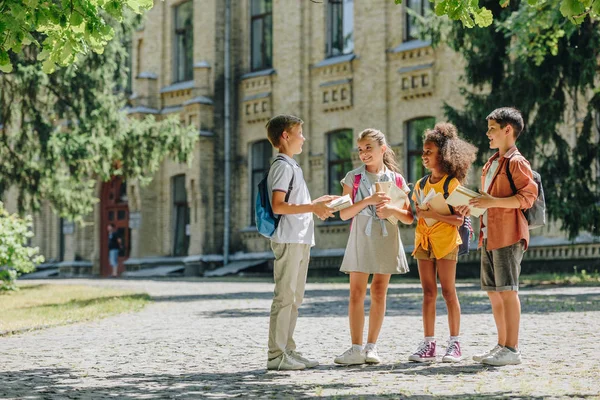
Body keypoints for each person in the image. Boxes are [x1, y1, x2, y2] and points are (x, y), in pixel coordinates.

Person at [462, 107, 537, 366]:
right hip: (488, 234)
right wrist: (470, 204)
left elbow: (528, 197)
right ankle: (502, 345)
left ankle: (512, 349)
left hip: (508, 234)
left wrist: (491, 201)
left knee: (507, 291)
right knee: (494, 292)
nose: (487, 134)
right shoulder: (492, 163)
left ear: (508, 130)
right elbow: (488, 201)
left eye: (492, 129)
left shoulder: (517, 162)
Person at [333, 128, 414, 365]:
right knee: (356, 293)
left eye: (369, 148)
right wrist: (368, 200)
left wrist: (391, 210)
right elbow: (344, 214)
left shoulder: (396, 179)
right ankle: (355, 348)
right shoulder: (354, 178)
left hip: (387, 236)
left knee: (379, 291)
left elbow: (409, 217)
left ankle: (371, 347)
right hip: (361, 237)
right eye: (360, 149)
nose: (364, 153)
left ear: (383, 149)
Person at [265, 114, 337, 371]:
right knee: (284, 297)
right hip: (288, 240)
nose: (303, 138)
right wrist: (313, 207)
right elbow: (278, 205)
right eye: (299, 132)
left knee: (294, 299)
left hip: (300, 239)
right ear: (286, 136)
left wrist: (317, 202)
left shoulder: (293, 166)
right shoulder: (282, 166)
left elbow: (292, 203)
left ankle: (288, 350)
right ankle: (276, 356)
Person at [408, 122, 477, 363]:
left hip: (447, 241)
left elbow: (460, 219)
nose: (424, 156)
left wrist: (433, 215)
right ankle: (428, 344)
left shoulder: (451, 184)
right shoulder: (420, 184)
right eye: (423, 151)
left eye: (429, 152)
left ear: (443, 155)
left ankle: (455, 343)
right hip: (423, 242)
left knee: (448, 292)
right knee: (428, 293)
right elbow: (418, 213)